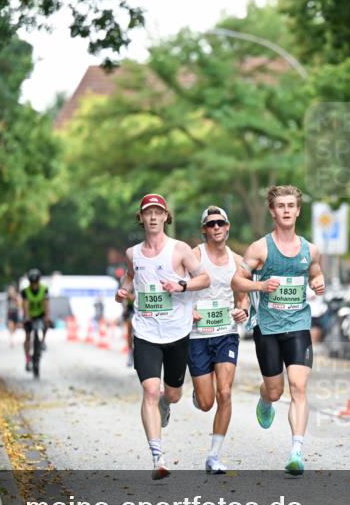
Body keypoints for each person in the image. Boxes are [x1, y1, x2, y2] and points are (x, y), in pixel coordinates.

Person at [114, 194, 209, 479]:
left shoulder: (179, 250)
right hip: (145, 332)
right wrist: (123, 290)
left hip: (178, 332)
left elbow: (204, 279)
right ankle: (157, 457)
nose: (153, 217)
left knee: (173, 393)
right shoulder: (133, 253)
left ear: (166, 217)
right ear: (140, 218)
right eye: (148, 213)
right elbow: (130, 277)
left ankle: (168, 403)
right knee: (150, 391)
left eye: (158, 212)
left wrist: (182, 285)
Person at [231, 185, 325, 475]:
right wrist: (259, 285)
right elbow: (237, 280)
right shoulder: (260, 248)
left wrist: (319, 282)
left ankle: (296, 450)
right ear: (273, 212)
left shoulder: (310, 250)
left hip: (298, 325)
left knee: (299, 386)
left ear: (298, 210)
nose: (286, 210)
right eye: (280, 206)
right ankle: (265, 398)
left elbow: (316, 273)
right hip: (268, 327)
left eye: (290, 205)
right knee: (276, 390)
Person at [188, 206, 250, 474]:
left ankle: (214, 456)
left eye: (220, 223)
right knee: (206, 403)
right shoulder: (193, 256)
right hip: (197, 335)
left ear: (227, 227)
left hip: (226, 333)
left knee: (224, 393)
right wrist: (187, 309)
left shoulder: (238, 261)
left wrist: (243, 309)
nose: (216, 228)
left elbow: (243, 295)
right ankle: (198, 393)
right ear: (204, 229)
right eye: (211, 224)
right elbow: (178, 286)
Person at [20, 269, 50, 372]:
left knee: (46, 324)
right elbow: (25, 304)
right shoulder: (25, 291)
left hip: (40, 314)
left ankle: (42, 341)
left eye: (35, 282)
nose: (34, 284)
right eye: (32, 282)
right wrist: (27, 316)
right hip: (30, 316)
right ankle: (28, 359)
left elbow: (46, 304)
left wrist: (47, 316)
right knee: (28, 337)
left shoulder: (44, 289)